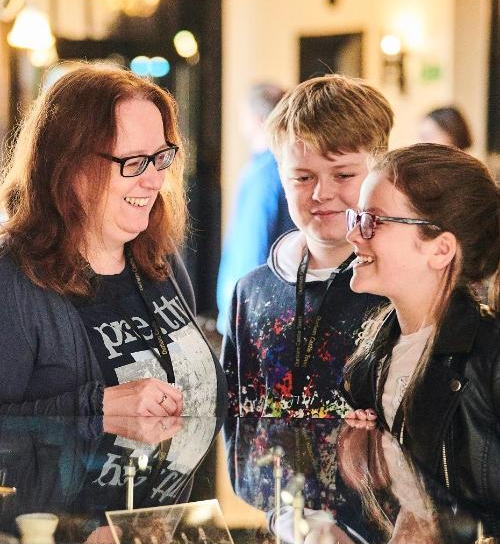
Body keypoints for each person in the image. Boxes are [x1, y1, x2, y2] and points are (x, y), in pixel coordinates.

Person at [0, 64, 227, 417]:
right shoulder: (12, 279)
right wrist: (99, 407)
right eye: (135, 161)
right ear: (68, 165)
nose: (154, 180)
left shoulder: (159, 260)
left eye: (161, 157)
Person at [222, 74, 394, 418]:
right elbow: (235, 412)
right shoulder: (251, 292)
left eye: (343, 175)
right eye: (302, 177)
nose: (321, 193)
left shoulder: (397, 287)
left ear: (378, 171)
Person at [344, 143, 500, 505]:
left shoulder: (489, 357)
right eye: (357, 218)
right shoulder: (371, 357)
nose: (353, 234)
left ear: (441, 249)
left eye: (373, 221)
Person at [216, 83, 294, 333]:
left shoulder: (267, 173)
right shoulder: (275, 167)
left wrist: (239, 305)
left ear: (256, 119)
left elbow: (253, 241)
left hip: (255, 308)